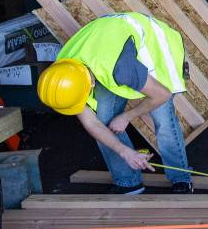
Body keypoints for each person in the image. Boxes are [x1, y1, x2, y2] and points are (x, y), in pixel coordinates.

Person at [36, 13, 193, 194]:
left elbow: (162, 95)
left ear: (91, 84)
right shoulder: (63, 74)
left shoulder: (120, 69)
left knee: (163, 119)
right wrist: (124, 151)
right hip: (108, 52)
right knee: (104, 119)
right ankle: (128, 182)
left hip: (155, 46)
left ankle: (181, 179)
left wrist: (127, 116)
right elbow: (91, 123)